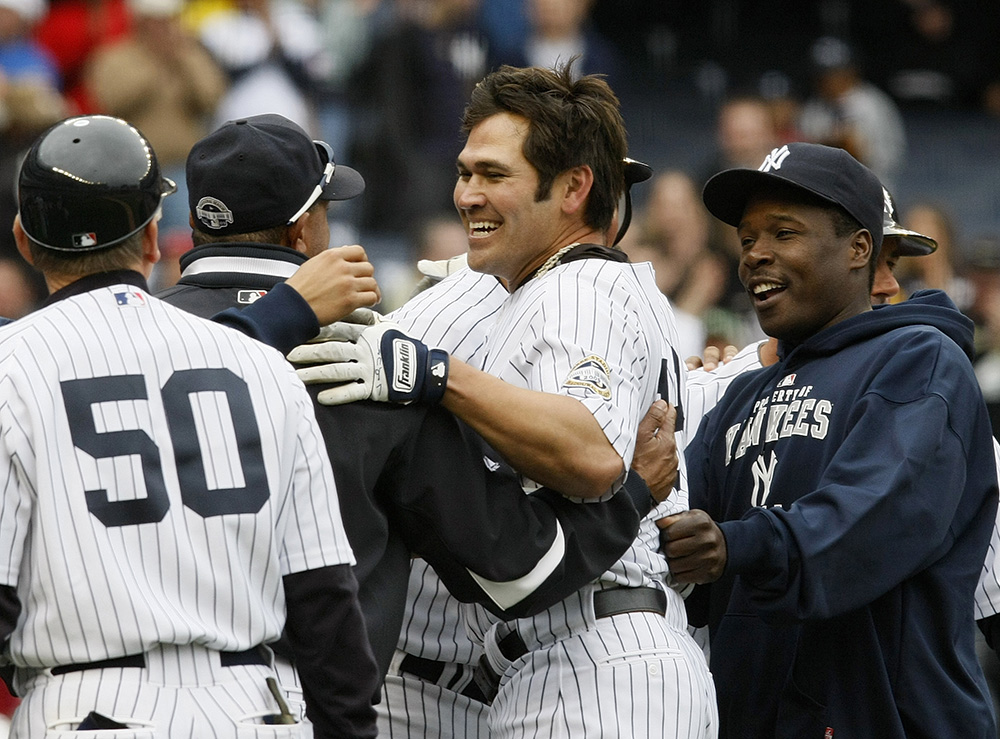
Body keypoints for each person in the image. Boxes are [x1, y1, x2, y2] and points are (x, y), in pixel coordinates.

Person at [159, 112, 664, 683]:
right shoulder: (363, 359)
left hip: (125, 693)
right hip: (304, 703)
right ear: (303, 232)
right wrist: (637, 492)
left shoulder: (113, 343)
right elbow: (518, 572)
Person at [298, 62, 717, 738]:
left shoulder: (575, 288)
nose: (468, 194)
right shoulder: (547, 287)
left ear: (575, 188)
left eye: (494, 175)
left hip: (599, 657)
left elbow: (589, 452)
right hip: (577, 657)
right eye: (466, 172)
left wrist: (435, 372)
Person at [0, 115, 378, 737]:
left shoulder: (12, 368)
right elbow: (325, 601)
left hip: (85, 708)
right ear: (154, 238)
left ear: (23, 240)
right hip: (256, 707)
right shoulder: (261, 363)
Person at [662, 142, 998, 737]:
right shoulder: (737, 398)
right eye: (746, 240)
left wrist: (735, 546)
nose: (755, 256)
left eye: (783, 234)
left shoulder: (920, 361)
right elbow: (673, 536)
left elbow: (870, 520)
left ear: (860, 249)